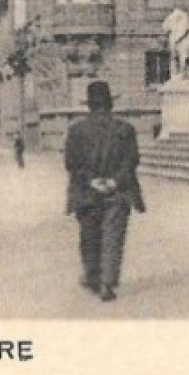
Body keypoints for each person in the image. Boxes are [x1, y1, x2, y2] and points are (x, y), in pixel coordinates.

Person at [63, 81, 146, 301]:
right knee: (113, 237)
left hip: (87, 192)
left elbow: (71, 163)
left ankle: (92, 277)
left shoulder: (76, 130)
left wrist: (91, 181)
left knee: (89, 236)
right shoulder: (126, 129)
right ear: (110, 103)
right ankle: (107, 283)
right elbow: (131, 161)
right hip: (118, 192)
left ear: (89, 105)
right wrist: (113, 182)